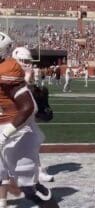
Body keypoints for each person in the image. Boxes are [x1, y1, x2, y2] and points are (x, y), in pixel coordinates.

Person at [0, 32, 58, 208]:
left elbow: (27, 107)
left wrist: (6, 133)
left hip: (17, 132)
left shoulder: (8, 70)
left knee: (29, 188)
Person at [12, 47, 55, 183]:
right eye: (24, 61)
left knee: (34, 139)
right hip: (8, 118)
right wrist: (26, 80)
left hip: (23, 118)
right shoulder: (8, 73)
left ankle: (38, 170)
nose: (27, 64)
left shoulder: (25, 76)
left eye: (29, 61)